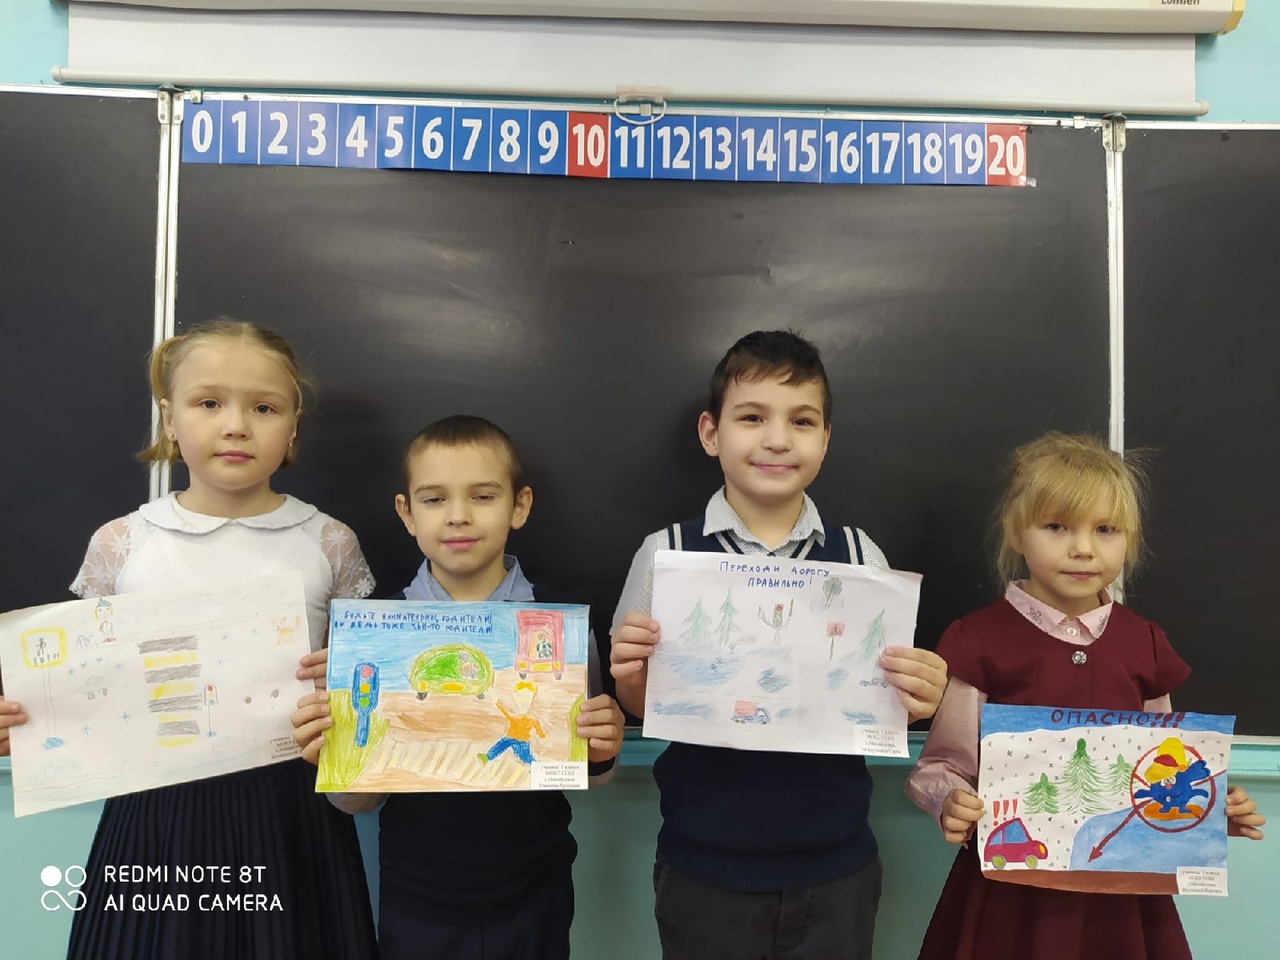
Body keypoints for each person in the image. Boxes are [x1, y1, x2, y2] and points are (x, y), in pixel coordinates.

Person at [1, 318, 378, 958]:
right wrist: (28, 724)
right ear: (169, 419)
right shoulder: (123, 544)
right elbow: (85, 689)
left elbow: (360, 696)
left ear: (293, 425)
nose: (235, 425)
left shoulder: (328, 542)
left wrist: (346, 723)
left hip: (291, 816)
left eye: (264, 407)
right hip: (155, 819)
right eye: (208, 403)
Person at [609, 329, 949, 960]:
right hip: (703, 869)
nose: (776, 439)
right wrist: (630, 674)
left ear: (825, 438)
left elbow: (884, 703)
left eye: (801, 421)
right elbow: (638, 703)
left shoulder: (860, 557)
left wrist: (919, 700)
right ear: (711, 433)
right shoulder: (666, 554)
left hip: (837, 868)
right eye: (751, 417)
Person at [905, 431, 1266, 960]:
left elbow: (1164, 764)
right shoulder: (978, 640)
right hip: (1011, 893)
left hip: (1121, 899)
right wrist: (950, 802)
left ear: (1129, 540)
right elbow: (939, 767)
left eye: (1105, 530)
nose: (1083, 548)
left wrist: (1208, 813)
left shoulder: (1144, 643)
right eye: (1057, 526)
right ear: (1016, 532)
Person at [291, 414, 626, 960]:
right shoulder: (374, 635)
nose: (458, 516)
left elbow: (589, 773)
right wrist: (335, 752)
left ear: (519, 506)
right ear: (407, 513)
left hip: (535, 891)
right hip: (419, 899)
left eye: (483, 496)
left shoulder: (558, 626)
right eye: (434, 499)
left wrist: (603, 748)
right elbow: (355, 800)